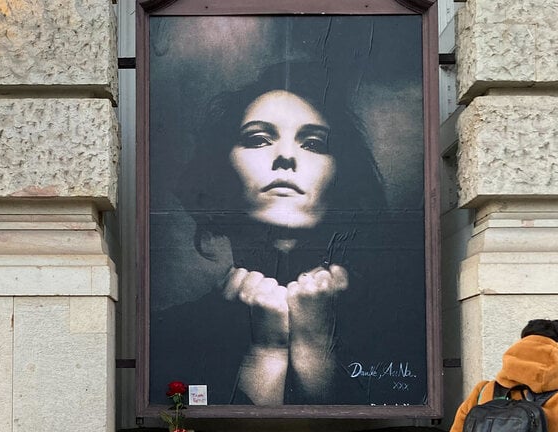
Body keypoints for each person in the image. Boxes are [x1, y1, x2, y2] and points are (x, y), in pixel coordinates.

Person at [150, 61, 426, 406]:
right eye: (258, 139)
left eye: (311, 144)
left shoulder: (402, 326)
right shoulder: (169, 335)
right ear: (220, 172)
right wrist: (266, 353)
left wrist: (314, 348)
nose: (285, 156)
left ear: (342, 176)